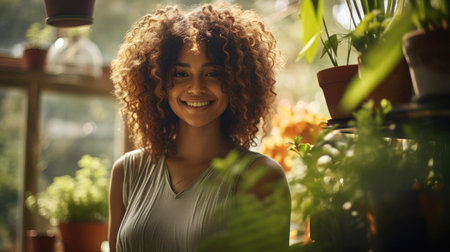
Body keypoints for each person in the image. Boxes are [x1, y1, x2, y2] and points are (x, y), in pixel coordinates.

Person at [108, 1, 291, 251]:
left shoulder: (260, 177)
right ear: (158, 82)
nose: (196, 88)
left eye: (212, 73)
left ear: (237, 81)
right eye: (181, 74)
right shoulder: (128, 172)